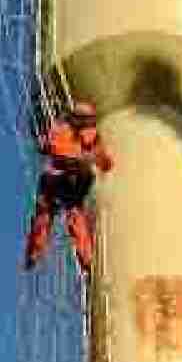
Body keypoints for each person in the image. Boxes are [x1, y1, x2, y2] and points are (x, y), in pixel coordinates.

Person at [22, 101, 114, 274]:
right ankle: (86, 260)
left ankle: (35, 255)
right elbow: (104, 160)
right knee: (70, 214)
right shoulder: (88, 134)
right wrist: (97, 162)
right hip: (71, 180)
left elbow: (46, 146)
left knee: (51, 215)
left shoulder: (62, 129)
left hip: (59, 180)